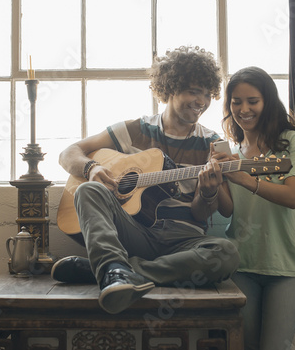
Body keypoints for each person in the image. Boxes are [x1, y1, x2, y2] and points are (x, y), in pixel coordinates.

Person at [52, 46, 240, 315]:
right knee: (89, 190)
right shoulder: (134, 131)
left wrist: (209, 193)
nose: (201, 101)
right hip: (135, 233)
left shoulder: (213, 144)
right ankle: (115, 268)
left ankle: (113, 271)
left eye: (207, 94)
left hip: (182, 244)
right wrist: (92, 168)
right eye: (193, 91)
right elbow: (68, 153)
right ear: (170, 88)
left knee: (226, 254)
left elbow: (217, 210)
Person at [213, 66, 295, 350]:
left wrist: (245, 179)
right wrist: (216, 182)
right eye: (236, 101)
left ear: (267, 101)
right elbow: (229, 211)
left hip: (286, 266)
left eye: (252, 101)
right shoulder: (234, 151)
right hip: (242, 265)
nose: (243, 109)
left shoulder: (293, 141)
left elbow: (293, 196)